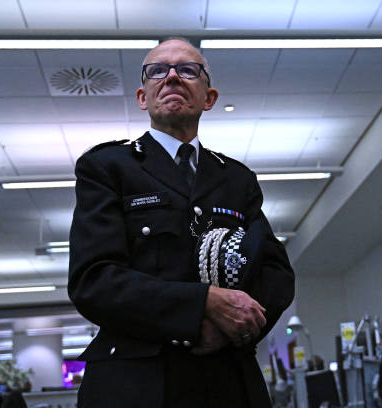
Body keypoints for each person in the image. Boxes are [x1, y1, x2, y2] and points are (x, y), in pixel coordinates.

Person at [68, 38, 295, 408]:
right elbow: (92, 279)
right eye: (158, 71)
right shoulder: (107, 168)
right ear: (143, 97)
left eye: (188, 70)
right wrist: (202, 304)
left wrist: (234, 328)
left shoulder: (237, 179)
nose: (172, 77)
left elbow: (275, 274)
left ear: (209, 97)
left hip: (227, 378)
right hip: (135, 381)